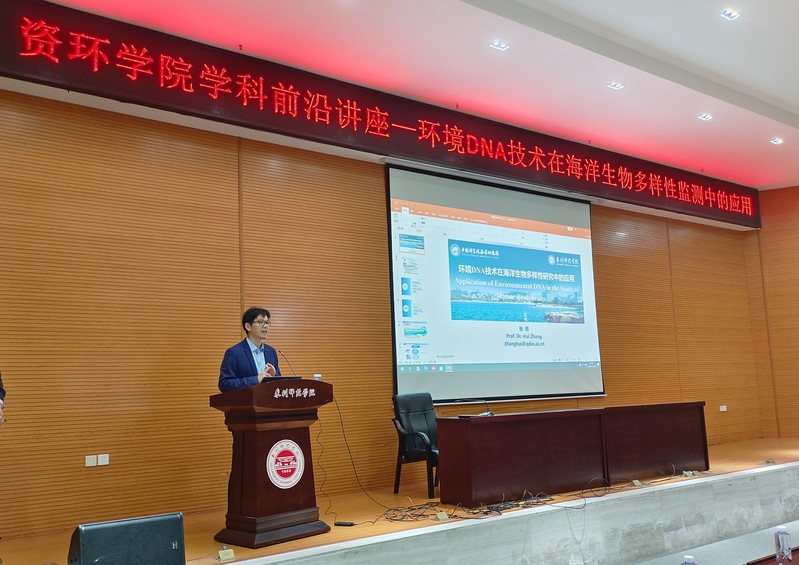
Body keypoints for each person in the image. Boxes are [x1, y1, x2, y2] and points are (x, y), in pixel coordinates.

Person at [218, 307, 281, 392]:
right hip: (245, 400)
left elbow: (279, 384)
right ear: (248, 326)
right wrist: (256, 379)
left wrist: (275, 376)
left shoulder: (271, 352)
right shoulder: (234, 353)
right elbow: (225, 384)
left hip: (268, 400)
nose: (266, 326)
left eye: (267, 322)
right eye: (261, 322)